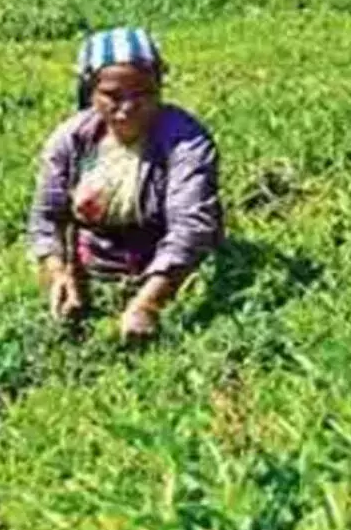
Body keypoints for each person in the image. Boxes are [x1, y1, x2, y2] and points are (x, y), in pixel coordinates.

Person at [29, 28, 223, 342]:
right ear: (90, 92)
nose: (128, 107)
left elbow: (192, 227)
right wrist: (61, 275)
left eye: (142, 93)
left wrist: (148, 304)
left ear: (159, 87)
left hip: (177, 266)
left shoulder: (184, 140)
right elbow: (47, 218)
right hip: (95, 261)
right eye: (113, 95)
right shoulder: (72, 139)